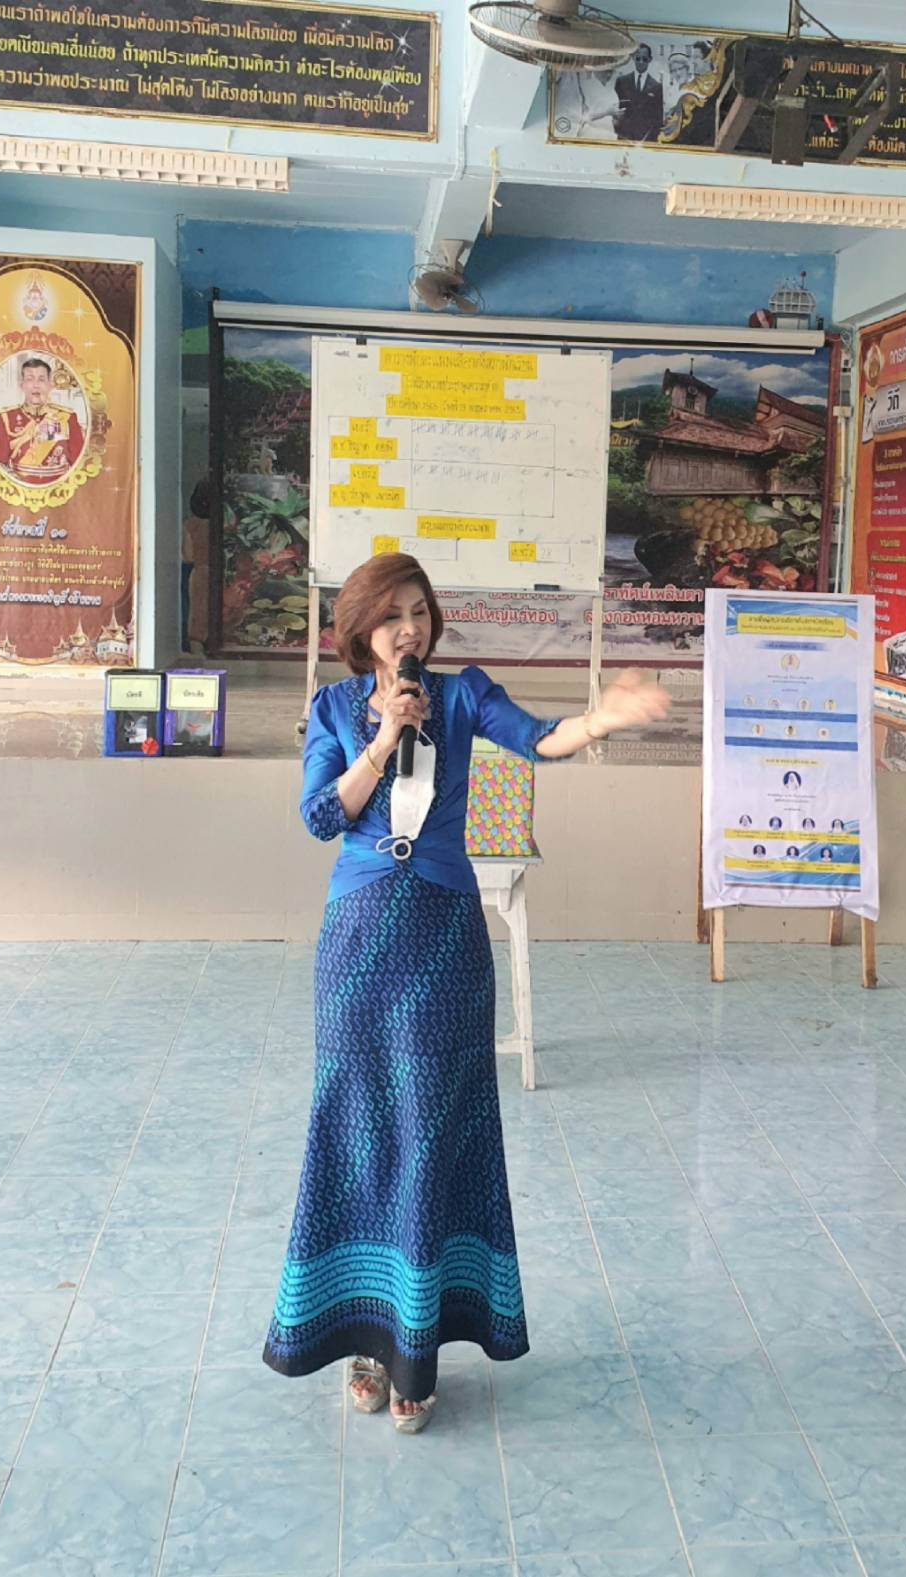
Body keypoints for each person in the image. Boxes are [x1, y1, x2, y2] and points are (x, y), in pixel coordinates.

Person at [262, 555, 671, 1433]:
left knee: (433, 1133)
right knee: (361, 1128)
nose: (409, 628)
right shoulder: (334, 709)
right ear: (361, 631)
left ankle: (418, 1350)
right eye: (391, 616)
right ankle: (364, 1336)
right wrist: (382, 739)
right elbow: (321, 817)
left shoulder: (462, 695)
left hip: (447, 939)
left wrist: (601, 719)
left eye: (419, 611)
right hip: (358, 942)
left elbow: (539, 737)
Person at [0, 357, 85, 485]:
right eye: (30, 379)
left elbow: (79, 463)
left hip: (58, 488)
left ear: (50, 385)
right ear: (22, 385)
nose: (36, 385)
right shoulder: (6, 418)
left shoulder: (67, 417)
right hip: (19, 489)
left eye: (41, 379)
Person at [181, 480, 210, 652]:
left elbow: (188, 556)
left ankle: (198, 658)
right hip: (222, 576)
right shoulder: (224, 526)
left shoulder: (189, 525)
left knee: (197, 620)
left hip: (199, 573)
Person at [614, 43, 664, 142]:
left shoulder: (657, 87)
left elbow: (658, 119)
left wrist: (652, 140)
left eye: (644, 59)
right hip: (624, 137)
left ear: (650, 60)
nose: (641, 62)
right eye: (638, 58)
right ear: (633, 58)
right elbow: (615, 110)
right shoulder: (622, 81)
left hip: (646, 139)